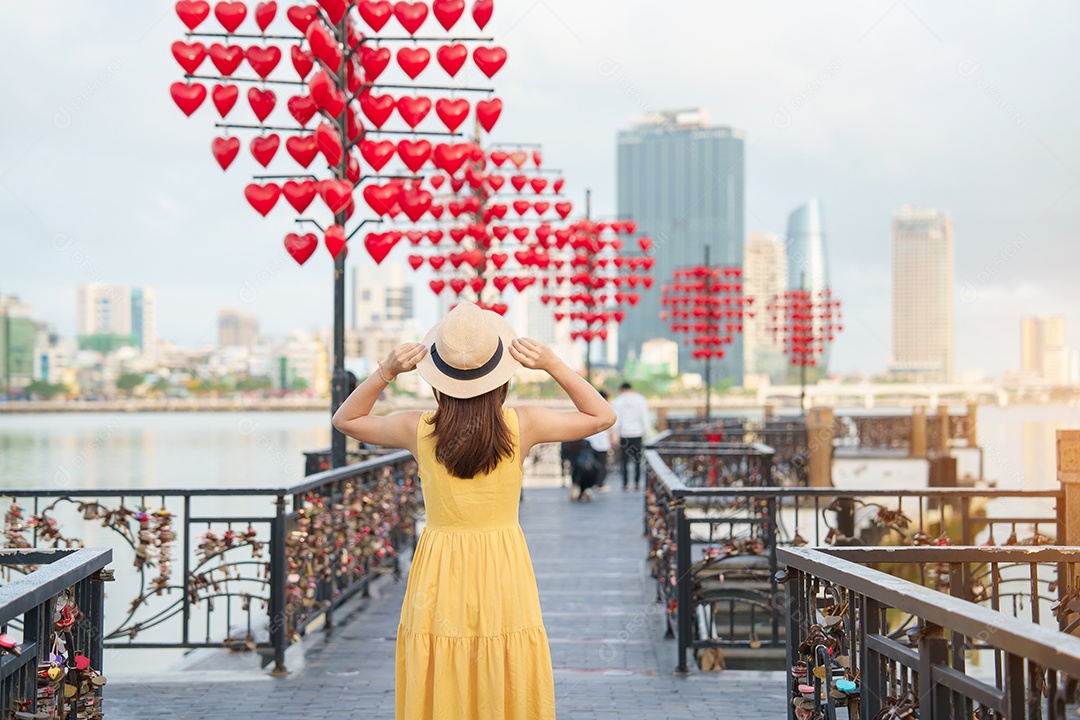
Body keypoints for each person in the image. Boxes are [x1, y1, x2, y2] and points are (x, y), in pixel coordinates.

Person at [331, 302, 616, 720]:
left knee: (442, 659)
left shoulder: (417, 428)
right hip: (502, 562)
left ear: (438, 378)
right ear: (500, 377)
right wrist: (552, 364)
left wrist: (386, 371)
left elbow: (346, 420)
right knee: (504, 657)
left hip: (439, 563)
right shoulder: (523, 424)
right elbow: (602, 416)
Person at [611, 381, 650, 491]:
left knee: (624, 461)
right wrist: (648, 433)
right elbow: (645, 418)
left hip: (624, 434)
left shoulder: (618, 400)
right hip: (637, 433)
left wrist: (614, 435)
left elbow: (616, 420)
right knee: (637, 460)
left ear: (622, 389)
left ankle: (625, 484)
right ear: (631, 389)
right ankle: (637, 483)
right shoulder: (640, 399)